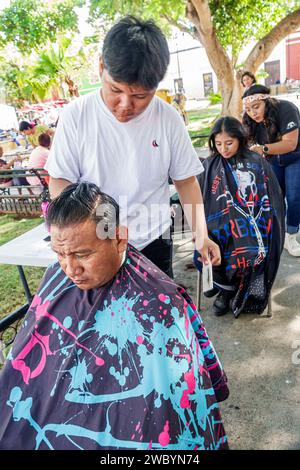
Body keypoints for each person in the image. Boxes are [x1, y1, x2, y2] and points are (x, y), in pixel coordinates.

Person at [0, 182, 229, 450]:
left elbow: (168, 416)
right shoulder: (55, 276)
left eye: (82, 254)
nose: (70, 268)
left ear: (119, 239)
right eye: (60, 254)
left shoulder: (161, 308)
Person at [45, 16, 221, 279]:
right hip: (97, 247)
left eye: (140, 96)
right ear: (102, 67)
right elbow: (60, 181)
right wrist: (82, 237)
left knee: (155, 315)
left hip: (154, 240)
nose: (125, 104)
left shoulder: (168, 119)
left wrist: (201, 235)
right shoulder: (76, 115)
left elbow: (186, 182)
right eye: (115, 89)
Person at [195, 117, 284, 317]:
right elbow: (199, 200)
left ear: (240, 139)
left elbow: (270, 199)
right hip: (218, 224)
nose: (223, 149)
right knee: (213, 244)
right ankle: (225, 291)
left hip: (254, 225)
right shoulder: (208, 166)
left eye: (229, 143)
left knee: (245, 248)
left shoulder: (256, 162)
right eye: (218, 144)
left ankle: (233, 291)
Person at [242, 84, 300, 257]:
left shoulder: (286, 109)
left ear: (267, 101)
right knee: (275, 198)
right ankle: (277, 233)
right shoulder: (251, 120)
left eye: (256, 107)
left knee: (294, 196)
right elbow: (245, 142)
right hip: (274, 160)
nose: (253, 113)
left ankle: (291, 235)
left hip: (295, 157)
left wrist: (263, 149)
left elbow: (290, 144)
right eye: (248, 109)